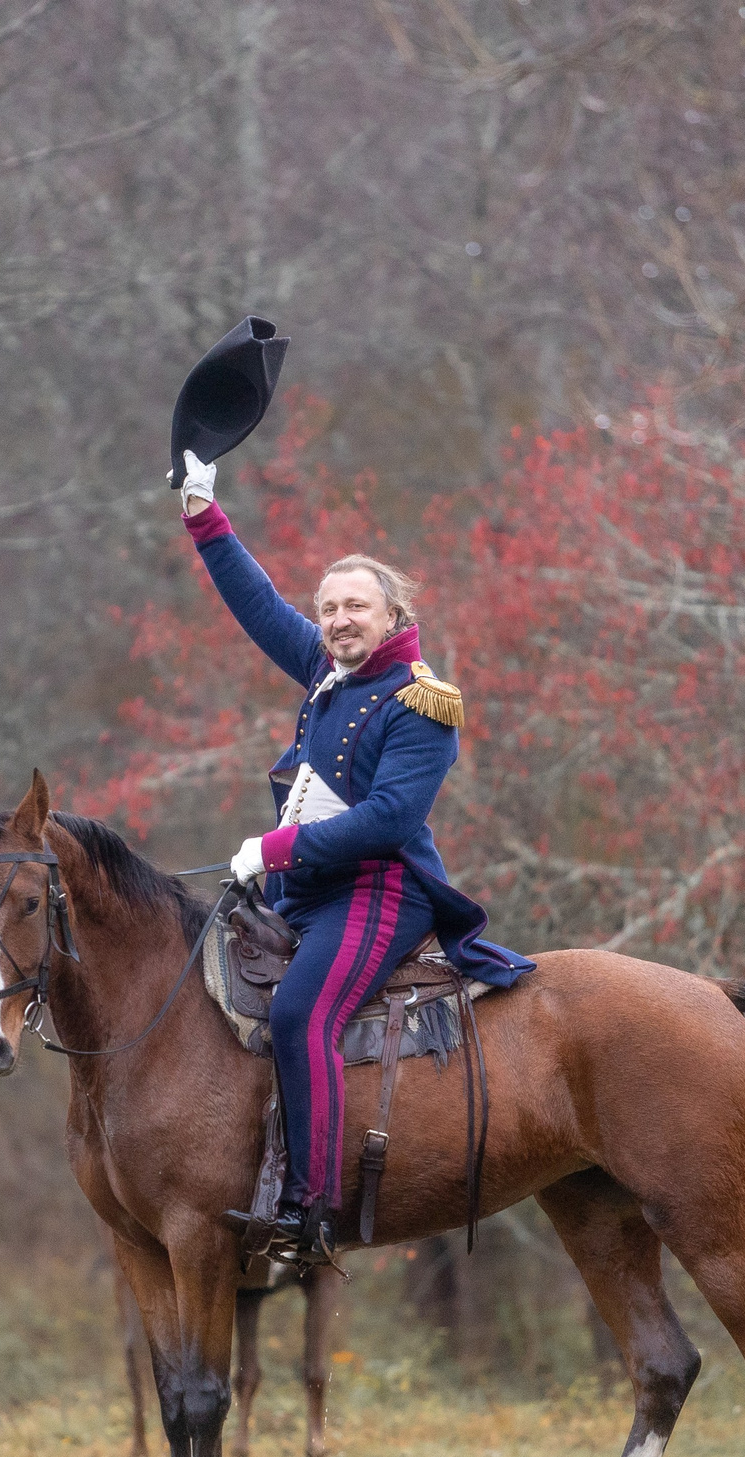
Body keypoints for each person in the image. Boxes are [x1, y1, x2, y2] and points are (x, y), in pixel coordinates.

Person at [177, 451, 533, 1264]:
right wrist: (204, 515)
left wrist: (274, 846)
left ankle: (312, 1208)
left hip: (380, 892)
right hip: (305, 893)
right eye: (330, 607)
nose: (339, 620)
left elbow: (386, 821)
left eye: (356, 607)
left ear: (392, 612)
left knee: (303, 1010)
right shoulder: (324, 669)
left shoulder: (420, 700)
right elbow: (257, 604)